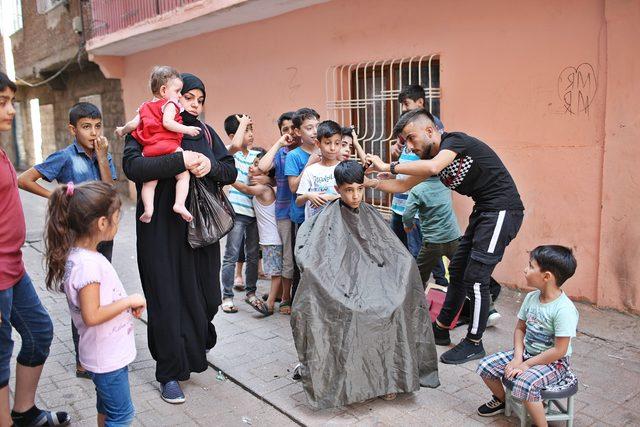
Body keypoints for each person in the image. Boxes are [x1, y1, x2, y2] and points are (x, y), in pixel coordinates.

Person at [366, 108, 524, 364]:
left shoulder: (454, 142)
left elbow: (432, 165)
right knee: (459, 269)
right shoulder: (432, 163)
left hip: (503, 210)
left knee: (476, 277)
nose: (409, 146)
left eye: (411, 138)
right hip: (484, 210)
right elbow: (403, 186)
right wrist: (369, 182)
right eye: (405, 141)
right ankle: (441, 328)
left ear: (430, 131)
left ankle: (474, 343)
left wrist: (388, 165)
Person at [122, 73, 237, 403]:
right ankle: (169, 372)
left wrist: (207, 165)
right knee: (167, 301)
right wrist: (179, 160)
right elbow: (133, 167)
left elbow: (229, 169)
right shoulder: (147, 122)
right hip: (159, 228)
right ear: (172, 95)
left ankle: (199, 334)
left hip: (200, 228)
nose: (195, 105)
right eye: (189, 97)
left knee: (209, 298)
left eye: (201, 99)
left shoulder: (204, 133)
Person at [291, 160, 440, 408]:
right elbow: (311, 259)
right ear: (338, 189)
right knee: (356, 312)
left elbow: (395, 254)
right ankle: (353, 378)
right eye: (349, 190)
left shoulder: (370, 215)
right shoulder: (325, 219)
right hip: (341, 288)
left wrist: (402, 274)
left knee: (392, 305)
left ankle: (390, 378)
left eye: (360, 189)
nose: (356, 195)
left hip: (375, 283)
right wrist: (337, 286)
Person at [18, 102, 117, 379]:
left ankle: (101, 349)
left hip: (103, 235)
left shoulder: (103, 153)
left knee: (101, 293)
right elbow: (25, 179)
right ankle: (83, 360)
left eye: (98, 126)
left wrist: (101, 157)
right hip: (76, 238)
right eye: (86, 127)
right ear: (73, 129)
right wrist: (59, 196)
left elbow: (110, 190)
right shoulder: (64, 158)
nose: (93, 132)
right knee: (82, 296)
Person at [44, 181, 147, 426]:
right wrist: (127, 301)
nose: (118, 223)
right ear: (102, 223)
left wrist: (122, 302)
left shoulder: (79, 257)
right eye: (117, 218)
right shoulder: (89, 265)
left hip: (103, 355)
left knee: (107, 408)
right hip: (106, 357)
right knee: (121, 416)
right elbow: (92, 315)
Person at [0, 71, 71, 427]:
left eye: (11, 101)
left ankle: (24, 411)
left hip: (13, 269)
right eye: (3, 102)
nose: (10, 110)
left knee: (39, 331)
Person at [476, 246, 578, 426]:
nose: (525, 269)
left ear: (546, 277)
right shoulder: (531, 297)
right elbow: (520, 329)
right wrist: (517, 358)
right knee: (485, 366)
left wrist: (526, 365)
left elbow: (560, 350)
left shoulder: (564, 310)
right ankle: (502, 400)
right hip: (527, 354)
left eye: (531, 266)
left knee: (524, 383)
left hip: (554, 363)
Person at [116, 66, 201, 223]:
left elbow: (133, 125)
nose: (179, 95)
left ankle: (149, 210)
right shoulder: (170, 105)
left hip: (149, 149)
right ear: (163, 90)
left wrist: (121, 130)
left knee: (149, 182)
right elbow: (168, 123)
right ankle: (179, 204)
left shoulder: (143, 107)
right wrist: (187, 129)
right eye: (177, 91)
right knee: (183, 176)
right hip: (168, 145)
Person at [390, 85, 449, 285]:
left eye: (406, 104)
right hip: (400, 201)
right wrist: (394, 153)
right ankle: (410, 286)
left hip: (416, 204)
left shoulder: (431, 126)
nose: (403, 109)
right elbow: (400, 156)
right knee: (404, 249)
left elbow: (433, 166)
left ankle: (434, 289)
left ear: (420, 102)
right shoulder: (408, 126)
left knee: (423, 251)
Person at [220, 113, 262, 314]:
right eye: (246, 130)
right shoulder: (230, 155)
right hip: (236, 212)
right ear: (232, 135)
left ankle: (251, 293)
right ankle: (227, 296)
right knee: (231, 254)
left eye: (251, 129)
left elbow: (266, 178)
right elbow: (228, 179)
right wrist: (239, 185)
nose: (251, 134)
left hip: (255, 213)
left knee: (253, 255)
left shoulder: (257, 156)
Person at [232, 148, 283, 316]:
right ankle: (279, 296)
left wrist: (228, 178)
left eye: (256, 165)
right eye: (253, 164)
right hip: (270, 238)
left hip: (272, 239)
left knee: (275, 272)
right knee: (275, 270)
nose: (252, 168)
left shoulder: (264, 189)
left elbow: (247, 190)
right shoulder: (267, 185)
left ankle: (269, 304)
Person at [257, 112, 298, 314]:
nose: (290, 133)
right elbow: (263, 166)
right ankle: (286, 297)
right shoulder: (281, 153)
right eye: (285, 130)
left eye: (292, 128)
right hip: (283, 212)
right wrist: (279, 143)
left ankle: (293, 293)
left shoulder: (305, 151)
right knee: (287, 256)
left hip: (303, 209)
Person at [284, 108, 321, 299]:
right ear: (298, 132)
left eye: (317, 126)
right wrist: (311, 162)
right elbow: (293, 188)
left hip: (323, 216)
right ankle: (297, 300)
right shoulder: (294, 156)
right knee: (301, 260)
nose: (315, 131)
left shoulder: (326, 150)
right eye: (309, 128)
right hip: (301, 217)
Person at [402, 176, 461, 287]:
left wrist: (408, 226)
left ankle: (416, 302)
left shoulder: (417, 190)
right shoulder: (446, 183)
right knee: (465, 271)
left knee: (418, 277)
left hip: (432, 242)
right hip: (453, 237)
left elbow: (407, 215)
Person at [295, 120, 346, 219]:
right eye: (327, 143)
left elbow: (352, 197)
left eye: (337, 143)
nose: (332, 148)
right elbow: (298, 201)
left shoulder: (345, 168)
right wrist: (308, 196)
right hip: (314, 226)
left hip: (339, 224)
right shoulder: (310, 171)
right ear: (318, 143)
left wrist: (331, 197)